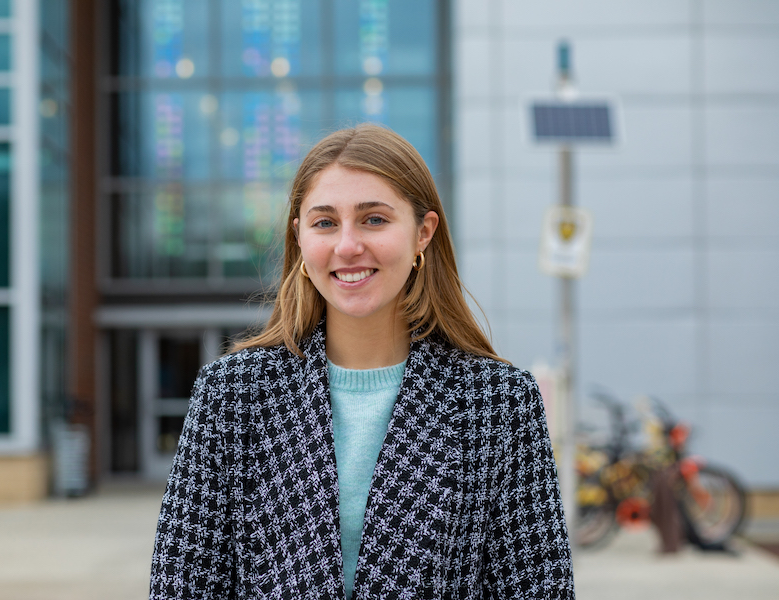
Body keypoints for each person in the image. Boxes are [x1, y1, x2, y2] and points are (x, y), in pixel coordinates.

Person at [150, 124, 574, 599]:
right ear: (300, 238)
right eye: (325, 222)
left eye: (374, 219)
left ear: (423, 233)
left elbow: (537, 588)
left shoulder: (497, 403)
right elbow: (184, 586)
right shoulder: (233, 395)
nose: (347, 245)